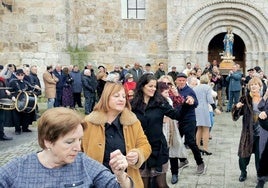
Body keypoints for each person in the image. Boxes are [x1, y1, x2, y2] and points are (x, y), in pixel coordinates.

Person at [0, 107, 133, 187]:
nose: (78, 148)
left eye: (79, 140)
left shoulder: (84, 164)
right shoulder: (18, 169)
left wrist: (120, 175)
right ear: (48, 142)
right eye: (69, 142)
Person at [82, 82, 151, 187]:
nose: (122, 99)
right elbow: (78, 151)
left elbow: (145, 146)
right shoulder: (89, 123)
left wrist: (137, 154)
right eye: (116, 96)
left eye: (124, 96)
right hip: (95, 183)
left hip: (126, 182)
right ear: (106, 97)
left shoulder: (133, 122)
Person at [131, 73, 193, 188]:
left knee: (161, 185)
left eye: (155, 86)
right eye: (150, 86)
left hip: (158, 149)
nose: (153, 89)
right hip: (140, 149)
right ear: (142, 86)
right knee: (143, 184)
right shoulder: (133, 105)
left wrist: (186, 105)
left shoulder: (160, 102)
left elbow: (177, 115)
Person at [174, 73, 206, 175]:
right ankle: (183, 160)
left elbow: (196, 103)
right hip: (178, 120)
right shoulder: (175, 90)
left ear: (186, 81)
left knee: (190, 142)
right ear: (177, 81)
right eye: (180, 80)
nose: (182, 82)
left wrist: (191, 101)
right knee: (176, 141)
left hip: (189, 120)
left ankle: (200, 163)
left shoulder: (189, 91)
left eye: (183, 80)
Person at [232, 77, 262, 182]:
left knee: (260, 156)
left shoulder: (264, 99)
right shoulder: (244, 98)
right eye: (251, 84)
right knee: (243, 156)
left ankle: (260, 175)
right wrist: (237, 107)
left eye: (256, 84)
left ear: (260, 86)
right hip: (248, 132)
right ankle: (243, 172)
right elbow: (235, 117)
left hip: (261, 134)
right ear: (249, 87)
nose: (254, 86)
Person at [193, 75, 221, 155]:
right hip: (204, 109)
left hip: (196, 109)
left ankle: (197, 147)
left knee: (199, 128)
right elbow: (210, 99)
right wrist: (215, 108)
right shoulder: (207, 88)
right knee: (206, 129)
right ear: (207, 80)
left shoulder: (195, 88)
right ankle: (205, 148)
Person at [8, 69, 38, 134]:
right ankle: (17, 130)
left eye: (22, 75)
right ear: (16, 75)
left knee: (26, 115)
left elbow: (31, 89)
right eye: (19, 75)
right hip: (16, 100)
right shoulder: (13, 82)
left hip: (25, 101)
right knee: (17, 116)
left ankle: (25, 128)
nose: (20, 76)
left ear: (23, 75)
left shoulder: (26, 82)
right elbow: (8, 91)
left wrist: (34, 88)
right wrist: (12, 97)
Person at [256, 89, 268, 188]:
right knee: (263, 152)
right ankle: (262, 178)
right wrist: (265, 95)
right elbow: (260, 107)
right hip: (265, 128)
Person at [0, 69, 13, 141]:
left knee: (1, 119)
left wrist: (5, 91)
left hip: (2, 101)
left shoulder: (2, 79)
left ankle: (1, 135)